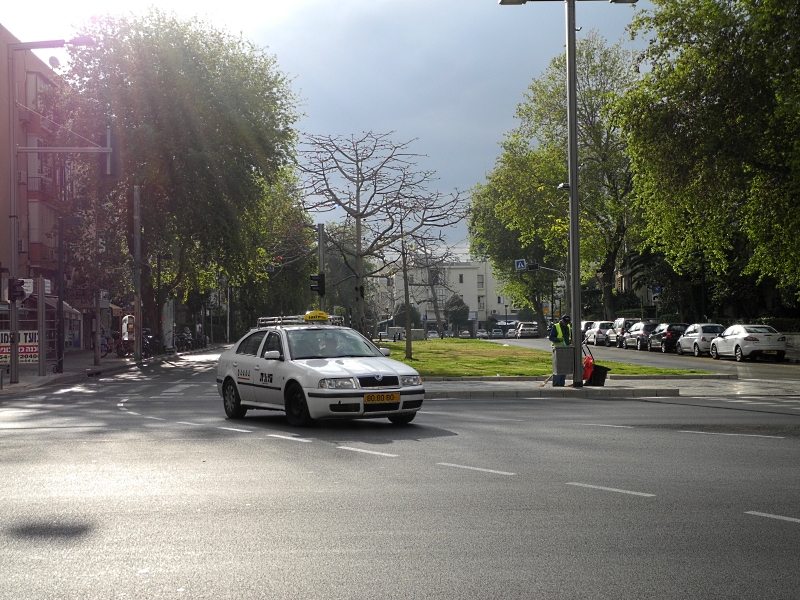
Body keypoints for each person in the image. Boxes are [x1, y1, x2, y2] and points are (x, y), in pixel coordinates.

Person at [548, 315, 573, 387]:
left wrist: (570, 341)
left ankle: (562, 383)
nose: (566, 324)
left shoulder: (568, 327)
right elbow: (551, 337)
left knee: (563, 367)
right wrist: (558, 339)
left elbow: (568, 336)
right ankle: (556, 383)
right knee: (558, 367)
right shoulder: (556, 326)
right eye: (565, 322)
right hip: (557, 348)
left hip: (566, 348)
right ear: (562, 320)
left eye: (567, 322)